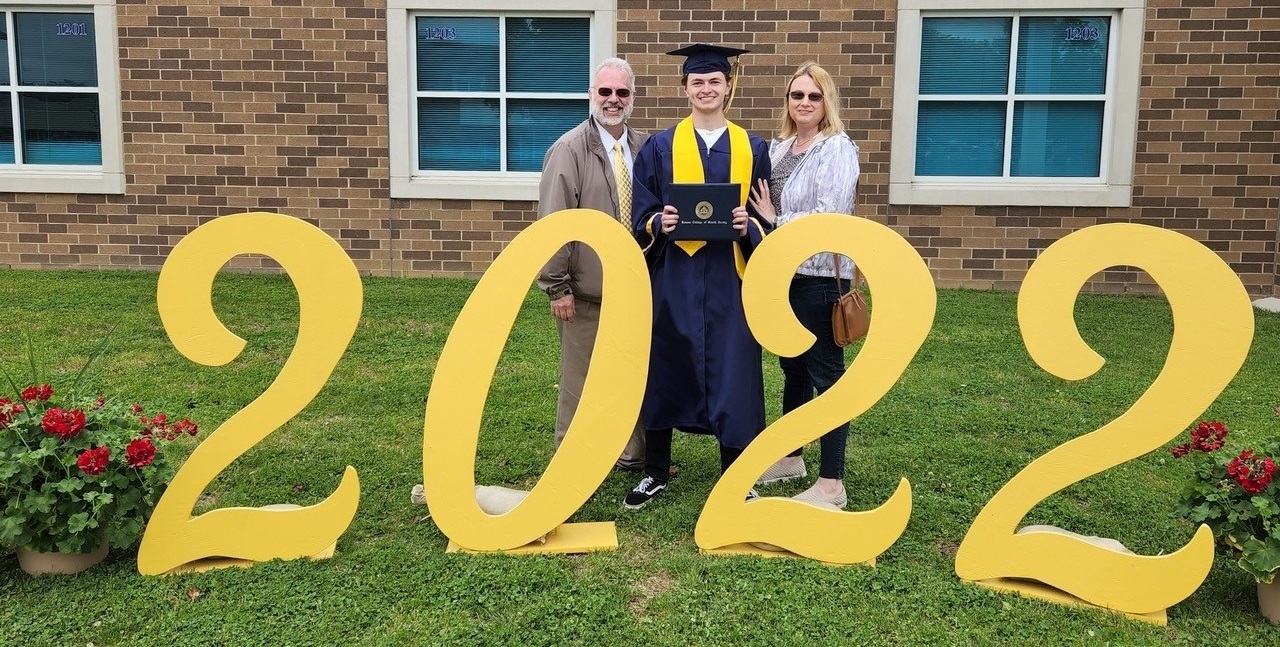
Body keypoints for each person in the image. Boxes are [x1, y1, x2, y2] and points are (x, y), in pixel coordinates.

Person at [623, 43, 772, 510]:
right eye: (697, 82)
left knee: (736, 372)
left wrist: (751, 227)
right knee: (667, 364)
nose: (706, 89)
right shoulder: (660, 147)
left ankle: (736, 476)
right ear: (684, 88)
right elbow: (640, 214)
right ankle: (655, 472)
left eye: (714, 81)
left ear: (729, 87)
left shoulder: (753, 147)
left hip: (732, 277)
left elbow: (765, 216)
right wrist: (657, 224)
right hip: (676, 276)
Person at [747, 61, 860, 509]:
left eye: (814, 96)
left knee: (826, 376)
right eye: (798, 96)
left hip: (817, 276)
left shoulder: (836, 148)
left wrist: (778, 220)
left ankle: (832, 483)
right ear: (788, 102)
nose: (805, 103)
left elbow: (832, 214)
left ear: (826, 101)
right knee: (792, 369)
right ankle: (792, 457)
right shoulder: (780, 148)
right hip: (783, 274)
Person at [537, 57, 650, 471]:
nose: (613, 100)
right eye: (605, 91)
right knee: (578, 381)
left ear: (632, 97)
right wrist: (557, 285)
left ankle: (631, 453)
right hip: (585, 291)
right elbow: (555, 219)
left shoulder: (645, 148)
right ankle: (571, 461)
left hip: (635, 290)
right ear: (592, 95)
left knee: (631, 374)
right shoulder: (569, 149)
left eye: (622, 92)